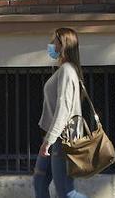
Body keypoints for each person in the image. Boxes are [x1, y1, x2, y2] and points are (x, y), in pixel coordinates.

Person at [33, 27, 88, 198]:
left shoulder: (66, 71)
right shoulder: (66, 70)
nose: (51, 45)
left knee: (66, 191)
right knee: (39, 181)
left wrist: (48, 141)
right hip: (54, 137)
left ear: (62, 45)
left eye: (54, 42)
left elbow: (63, 110)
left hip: (61, 140)